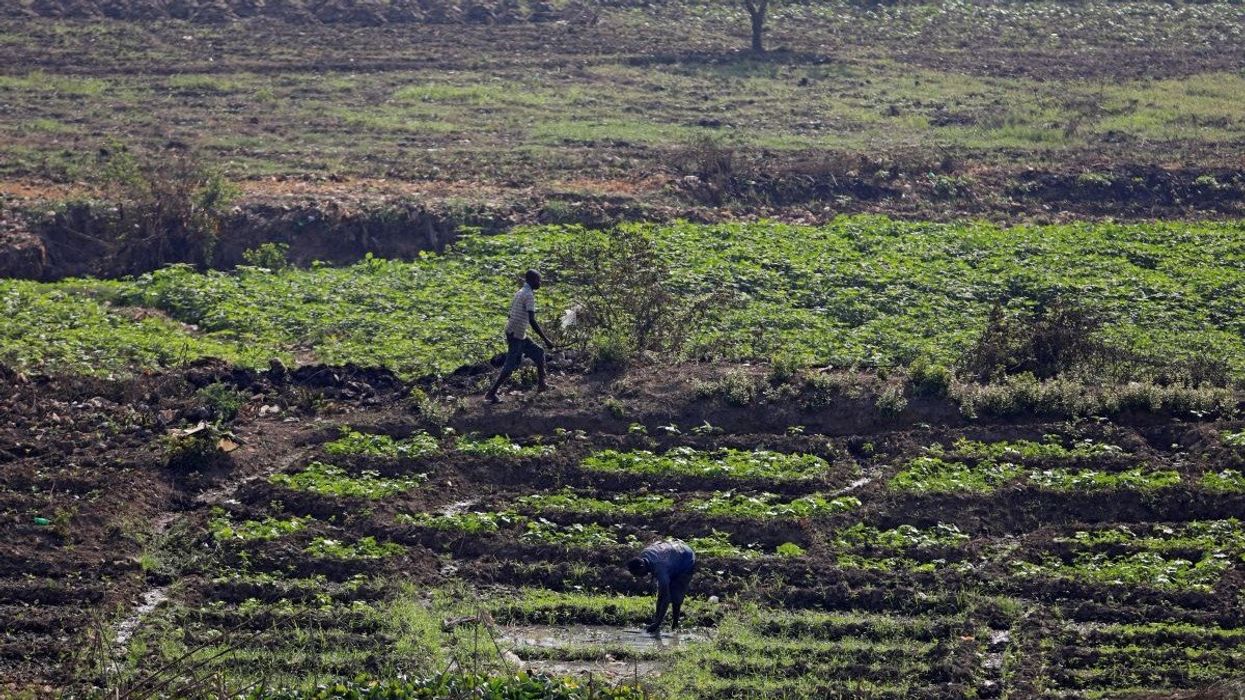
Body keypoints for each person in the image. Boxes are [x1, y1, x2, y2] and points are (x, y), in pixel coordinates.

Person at [485, 269, 553, 403]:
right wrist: (546, 339)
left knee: (539, 353)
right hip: (517, 334)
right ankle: (491, 394)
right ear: (532, 280)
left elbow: (510, 314)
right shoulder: (528, 295)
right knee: (510, 366)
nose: (540, 283)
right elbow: (532, 320)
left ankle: (541, 385)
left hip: (516, 332)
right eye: (539, 280)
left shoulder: (520, 292)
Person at [626, 539, 695, 635]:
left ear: (642, 567)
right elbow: (661, 594)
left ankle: (675, 625)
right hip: (673, 553)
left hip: (685, 558)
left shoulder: (659, 568)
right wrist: (656, 620)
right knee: (662, 591)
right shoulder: (644, 555)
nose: (638, 577)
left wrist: (658, 623)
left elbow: (666, 598)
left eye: (637, 574)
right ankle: (657, 621)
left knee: (676, 595)